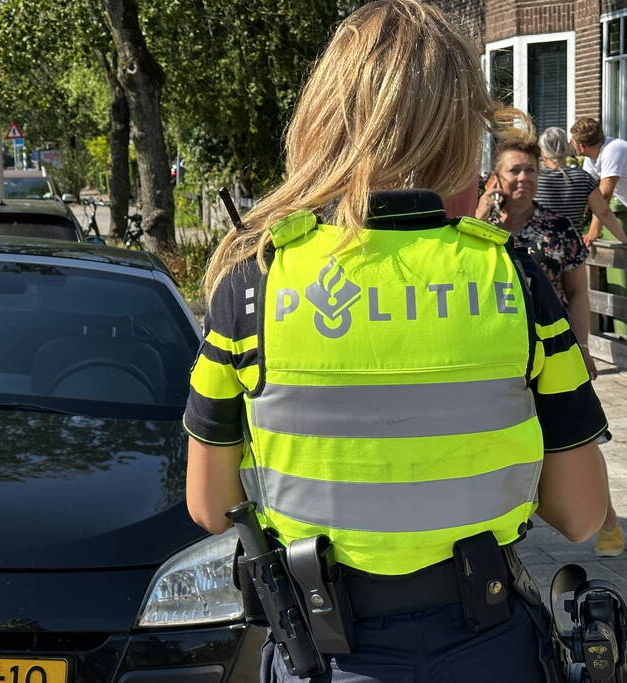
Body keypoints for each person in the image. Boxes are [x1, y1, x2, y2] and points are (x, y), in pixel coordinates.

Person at [184, 2, 610, 681]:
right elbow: (583, 514)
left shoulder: (254, 282)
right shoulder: (512, 275)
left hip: (323, 647)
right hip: (486, 645)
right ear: (457, 129)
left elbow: (209, 506)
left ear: (324, 119)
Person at [477, 131, 624, 557]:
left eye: (530, 170)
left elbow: (577, 294)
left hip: (553, 353)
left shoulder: (557, 228)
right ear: (496, 177)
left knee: (576, 438)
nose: (523, 177)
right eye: (514, 170)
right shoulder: (479, 230)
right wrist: (481, 210)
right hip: (499, 355)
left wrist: (583, 348)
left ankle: (608, 524)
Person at [536, 126, 627, 242]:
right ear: (567, 148)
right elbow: (604, 212)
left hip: (539, 246)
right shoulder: (584, 178)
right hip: (572, 247)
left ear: (543, 152)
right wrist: (625, 241)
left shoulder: (534, 178)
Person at [571, 118, 627, 246]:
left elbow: (603, 196)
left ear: (581, 146)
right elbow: (585, 194)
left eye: (572, 141)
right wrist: (573, 226)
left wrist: (593, 231)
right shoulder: (591, 158)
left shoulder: (613, 149)